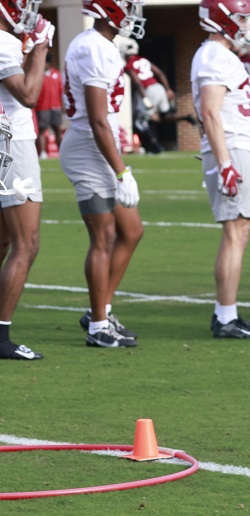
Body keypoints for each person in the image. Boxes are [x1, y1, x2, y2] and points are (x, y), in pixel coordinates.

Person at [61, 0, 145, 348]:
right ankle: (97, 326)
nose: (133, 12)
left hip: (102, 146)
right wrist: (122, 170)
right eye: (127, 5)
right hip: (88, 148)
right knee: (104, 236)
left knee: (132, 230)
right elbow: (97, 119)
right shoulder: (93, 47)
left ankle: (101, 309)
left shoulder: (102, 45)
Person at [193, 0, 250, 338]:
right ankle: (225, 318)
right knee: (234, 233)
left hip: (236, 147)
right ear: (222, 17)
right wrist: (224, 162)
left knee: (240, 231)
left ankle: (228, 312)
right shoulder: (214, 55)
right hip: (231, 150)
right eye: (240, 17)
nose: (245, 24)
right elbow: (209, 112)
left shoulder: (218, 54)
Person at [0, 1, 50, 360]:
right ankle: (1, 335)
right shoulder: (3, 42)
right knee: (26, 244)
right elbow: (30, 95)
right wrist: (41, 46)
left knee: (3, 242)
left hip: (5, 142)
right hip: (12, 143)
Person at [120, 37, 198, 155]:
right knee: (164, 115)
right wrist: (168, 89)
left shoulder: (128, 66)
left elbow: (137, 83)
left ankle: (156, 147)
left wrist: (145, 98)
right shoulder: (143, 60)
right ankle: (186, 117)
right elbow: (160, 73)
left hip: (148, 90)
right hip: (159, 87)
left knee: (140, 121)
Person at [35, 52, 62, 158]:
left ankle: (61, 151)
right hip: (42, 107)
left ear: (49, 63)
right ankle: (42, 153)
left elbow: (61, 91)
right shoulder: (38, 76)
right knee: (42, 130)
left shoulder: (56, 74)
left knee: (58, 129)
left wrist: (62, 106)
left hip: (56, 107)